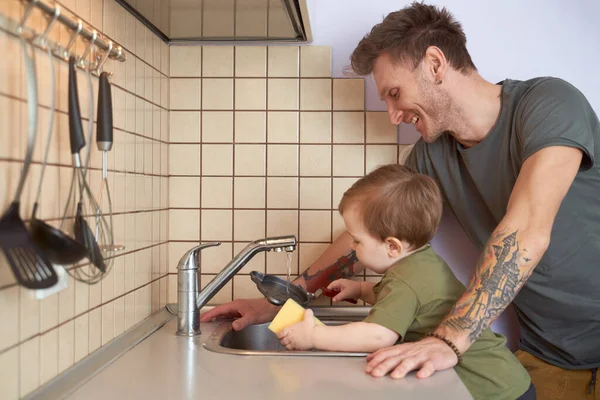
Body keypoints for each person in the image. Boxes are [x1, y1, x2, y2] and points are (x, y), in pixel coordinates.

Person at [201, 2, 600, 398]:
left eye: (394, 93)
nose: (392, 114)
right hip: (551, 356)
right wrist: (286, 300)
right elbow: (371, 230)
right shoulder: (431, 155)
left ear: (435, 63)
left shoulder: (548, 105)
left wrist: (449, 340)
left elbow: (527, 228)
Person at [276, 164, 534, 400]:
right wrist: (361, 289)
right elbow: (413, 304)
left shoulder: (403, 279)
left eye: (357, 240)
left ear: (392, 246)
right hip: (506, 381)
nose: (352, 247)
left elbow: (377, 336)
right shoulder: (420, 261)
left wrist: (314, 336)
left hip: (491, 391)